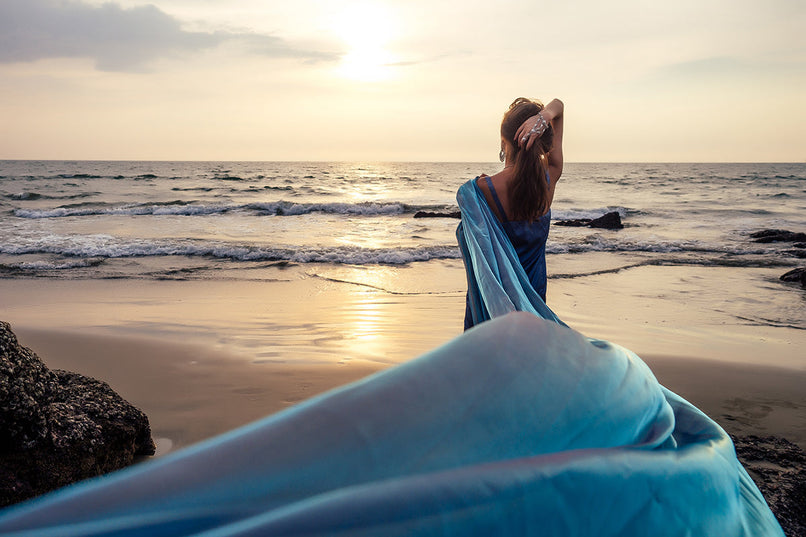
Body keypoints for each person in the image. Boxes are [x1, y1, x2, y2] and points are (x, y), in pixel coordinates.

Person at [461, 97, 564, 329]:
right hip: (534, 309)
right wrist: (544, 117)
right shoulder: (548, 180)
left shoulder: (478, 191)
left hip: (489, 313)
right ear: (544, 143)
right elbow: (559, 106)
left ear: (503, 140)